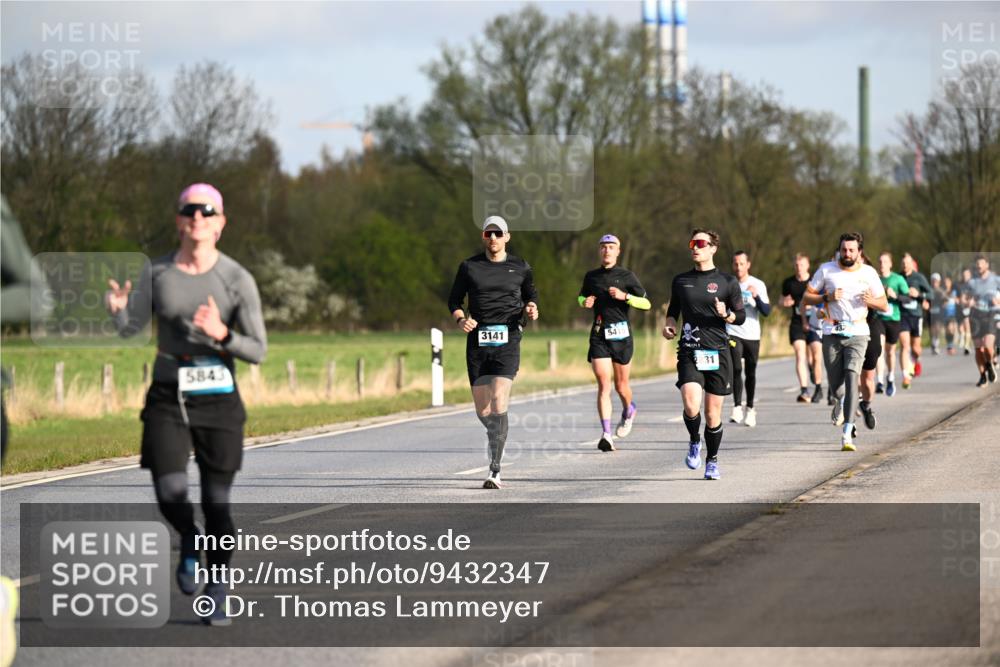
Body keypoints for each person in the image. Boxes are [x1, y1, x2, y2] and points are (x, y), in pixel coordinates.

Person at [106, 184, 267, 626]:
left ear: (220, 223)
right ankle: (189, 540)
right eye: (189, 211)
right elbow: (131, 329)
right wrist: (119, 313)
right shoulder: (156, 273)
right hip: (167, 394)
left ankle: (217, 587)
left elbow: (257, 350)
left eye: (207, 211)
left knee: (217, 502)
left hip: (218, 397)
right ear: (178, 220)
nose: (198, 217)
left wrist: (221, 333)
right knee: (170, 491)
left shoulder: (236, 279)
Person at [448, 215, 538, 488]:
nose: (494, 238)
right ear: (483, 237)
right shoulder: (469, 267)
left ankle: (495, 469)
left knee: (499, 399)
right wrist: (461, 319)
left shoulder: (520, 266)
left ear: (507, 237)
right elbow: (454, 300)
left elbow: (531, 296)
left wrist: (532, 308)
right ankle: (497, 436)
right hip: (477, 340)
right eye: (489, 233)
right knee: (483, 409)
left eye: (498, 233)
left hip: (508, 337)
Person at [662, 229, 745, 480]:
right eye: (692, 243)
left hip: (718, 351)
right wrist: (669, 325)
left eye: (700, 243)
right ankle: (694, 440)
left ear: (713, 248)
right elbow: (673, 310)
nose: (695, 247)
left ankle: (712, 460)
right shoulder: (681, 280)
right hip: (690, 349)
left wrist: (725, 314)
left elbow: (739, 316)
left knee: (712, 414)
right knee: (690, 402)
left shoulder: (728, 282)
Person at [802, 233, 887, 452]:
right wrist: (826, 298)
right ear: (839, 250)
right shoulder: (826, 269)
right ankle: (841, 402)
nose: (847, 254)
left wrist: (871, 301)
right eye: (844, 250)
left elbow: (884, 303)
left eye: (851, 250)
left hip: (859, 332)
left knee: (852, 379)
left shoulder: (868, 273)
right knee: (836, 386)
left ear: (859, 252)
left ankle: (847, 433)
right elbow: (807, 297)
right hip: (831, 332)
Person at [578, 234, 651, 451]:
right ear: (599, 251)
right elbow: (581, 297)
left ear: (618, 251)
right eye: (603, 247)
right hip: (600, 335)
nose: (607, 251)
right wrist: (585, 302)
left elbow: (646, 304)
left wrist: (625, 297)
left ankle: (629, 410)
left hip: (622, 336)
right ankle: (606, 434)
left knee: (621, 386)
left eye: (611, 247)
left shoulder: (627, 276)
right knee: (604, 385)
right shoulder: (591, 277)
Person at [726, 250, 770, 427]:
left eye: (741, 263)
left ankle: (750, 409)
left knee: (750, 373)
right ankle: (737, 407)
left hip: (752, 335)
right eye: (735, 264)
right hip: (733, 331)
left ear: (748, 264)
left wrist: (756, 296)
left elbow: (766, 311)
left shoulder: (757, 284)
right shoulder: (728, 284)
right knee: (736, 368)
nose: (738, 267)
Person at [780, 254, 821, 403]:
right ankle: (804, 390)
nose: (799, 268)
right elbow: (782, 299)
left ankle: (815, 379)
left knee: (814, 356)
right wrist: (785, 302)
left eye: (802, 265)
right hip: (797, 322)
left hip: (814, 322)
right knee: (799, 353)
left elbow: (823, 300)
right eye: (797, 265)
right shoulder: (788, 283)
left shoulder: (815, 282)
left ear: (807, 265)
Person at [874, 251, 910, 397]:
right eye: (880, 262)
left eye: (885, 262)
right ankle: (880, 381)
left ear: (890, 264)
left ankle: (890, 378)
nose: (882, 265)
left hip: (894, 319)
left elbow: (908, 299)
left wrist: (896, 296)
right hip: (878, 319)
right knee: (879, 348)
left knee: (890, 352)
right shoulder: (874, 279)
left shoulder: (898, 279)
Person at [961, 255, 1000, 386]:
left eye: (981, 264)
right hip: (975, 315)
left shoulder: (995, 280)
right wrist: (968, 302)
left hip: (990, 315)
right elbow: (963, 299)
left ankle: (989, 363)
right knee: (978, 348)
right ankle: (983, 375)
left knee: (988, 347)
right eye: (977, 264)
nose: (979, 266)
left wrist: (998, 301)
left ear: (987, 265)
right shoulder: (972, 282)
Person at [899, 252, 931, 388]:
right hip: (902, 315)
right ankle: (906, 375)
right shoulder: (898, 277)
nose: (905, 265)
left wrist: (919, 294)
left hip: (916, 316)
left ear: (912, 264)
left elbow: (931, 293)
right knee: (905, 346)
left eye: (908, 263)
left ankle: (916, 360)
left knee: (916, 349)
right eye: (903, 263)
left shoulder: (919, 278)